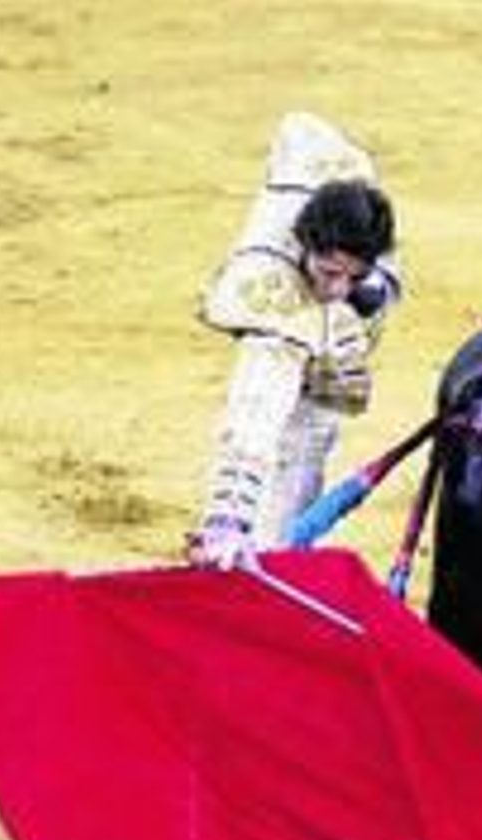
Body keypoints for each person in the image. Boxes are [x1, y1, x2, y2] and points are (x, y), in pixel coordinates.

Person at [187, 112, 401, 569]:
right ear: (306, 245)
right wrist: (229, 515)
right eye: (328, 272)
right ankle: (253, 538)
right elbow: (255, 408)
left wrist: (364, 293)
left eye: (354, 275)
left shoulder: (363, 227)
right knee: (290, 423)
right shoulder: (272, 286)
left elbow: (303, 128)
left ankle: (282, 552)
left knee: (313, 439)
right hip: (286, 353)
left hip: (323, 384)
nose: (339, 287)